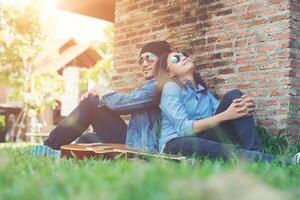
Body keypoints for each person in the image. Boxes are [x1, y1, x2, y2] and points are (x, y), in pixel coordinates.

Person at [154, 51, 300, 164]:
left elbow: (224, 112)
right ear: (169, 72)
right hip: (176, 142)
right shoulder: (171, 87)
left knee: (235, 96)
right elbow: (183, 128)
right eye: (175, 59)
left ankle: (255, 152)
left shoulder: (202, 90)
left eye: (183, 54)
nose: (183, 57)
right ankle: (286, 161)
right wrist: (227, 115)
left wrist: (244, 107)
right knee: (224, 150)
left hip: (203, 136)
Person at [29, 41, 171, 157]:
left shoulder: (159, 87)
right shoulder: (155, 86)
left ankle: (48, 147)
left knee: (91, 104)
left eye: (150, 58)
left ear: (163, 60)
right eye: (141, 60)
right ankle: (61, 154)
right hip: (134, 139)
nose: (144, 63)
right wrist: (98, 95)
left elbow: (119, 104)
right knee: (89, 139)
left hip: (142, 148)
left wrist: (99, 88)